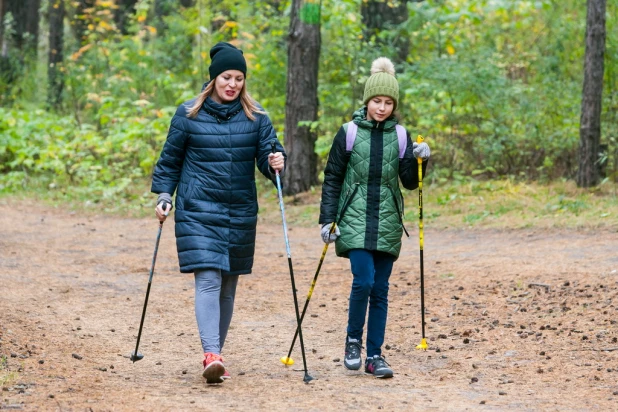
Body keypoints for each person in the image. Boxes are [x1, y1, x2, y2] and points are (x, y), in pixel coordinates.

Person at [151, 42, 286, 384]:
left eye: (239, 78)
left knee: (228, 286)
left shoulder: (256, 116)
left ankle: (216, 358)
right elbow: (170, 161)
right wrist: (165, 194)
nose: (233, 84)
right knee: (209, 279)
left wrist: (275, 163)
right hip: (198, 208)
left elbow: (268, 159)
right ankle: (211, 352)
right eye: (227, 77)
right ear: (213, 79)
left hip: (239, 209)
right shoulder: (188, 114)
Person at [318, 57, 430, 379]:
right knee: (364, 281)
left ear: (395, 105)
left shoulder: (402, 135)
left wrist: (422, 160)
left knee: (380, 288)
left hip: (388, 221)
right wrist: (327, 220)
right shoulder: (348, 133)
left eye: (388, 102)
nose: (381, 108)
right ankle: (353, 341)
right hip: (353, 219)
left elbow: (410, 181)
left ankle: (375, 355)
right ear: (367, 100)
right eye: (377, 101)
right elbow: (332, 178)